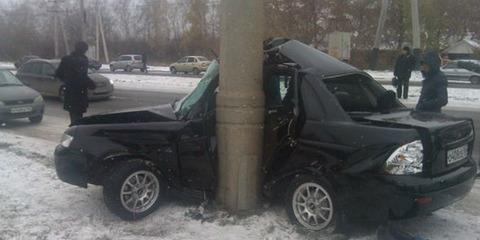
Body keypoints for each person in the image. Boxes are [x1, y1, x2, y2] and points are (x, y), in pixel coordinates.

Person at [55, 41, 96, 125]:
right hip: (79, 93)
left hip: (70, 92)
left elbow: (58, 73)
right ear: (84, 50)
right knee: (78, 119)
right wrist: (91, 84)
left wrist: (68, 81)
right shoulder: (83, 60)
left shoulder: (66, 59)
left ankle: (74, 131)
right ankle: (75, 134)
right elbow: (82, 76)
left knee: (74, 116)